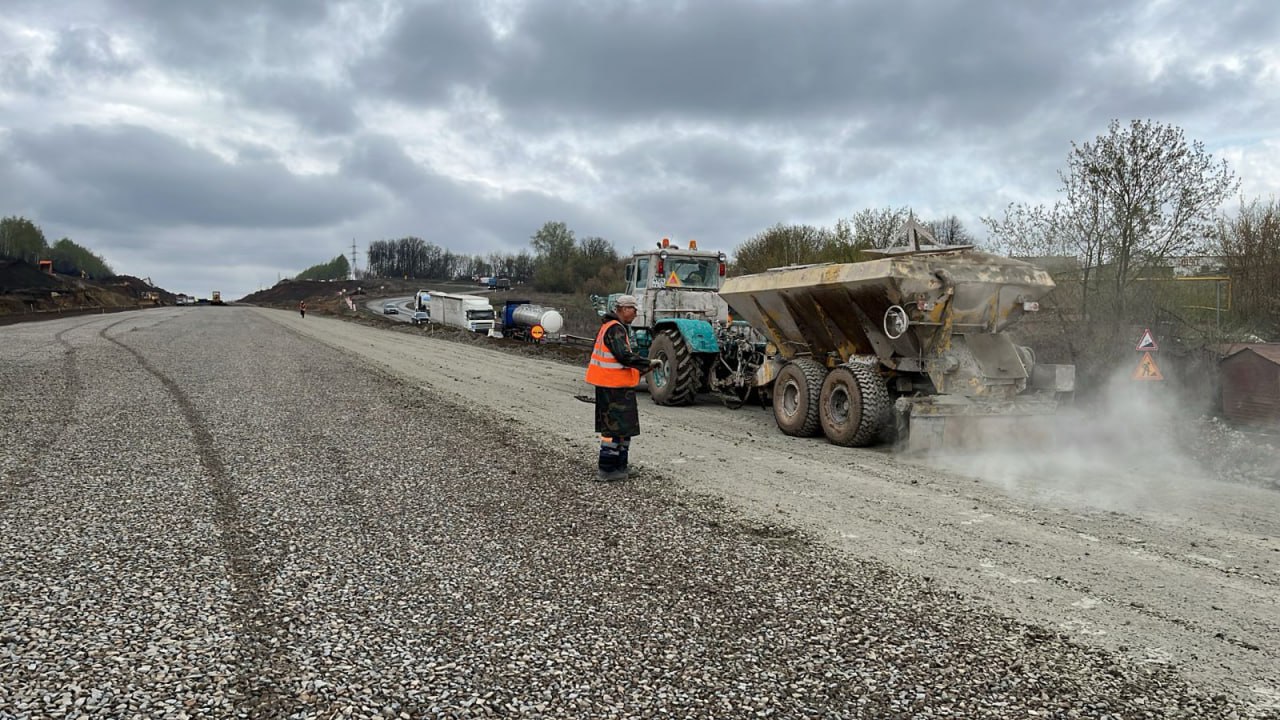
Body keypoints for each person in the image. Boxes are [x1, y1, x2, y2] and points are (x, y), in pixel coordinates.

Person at [585, 294, 661, 482]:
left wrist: (642, 367)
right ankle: (607, 469)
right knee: (614, 430)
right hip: (613, 387)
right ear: (623, 309)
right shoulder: (615, 329)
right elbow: (624, 356)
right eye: (633, 309)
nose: (635, 314)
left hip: (615, 385)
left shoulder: (610, 327)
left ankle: (620, 467)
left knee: (623, 429)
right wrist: (647, 362)